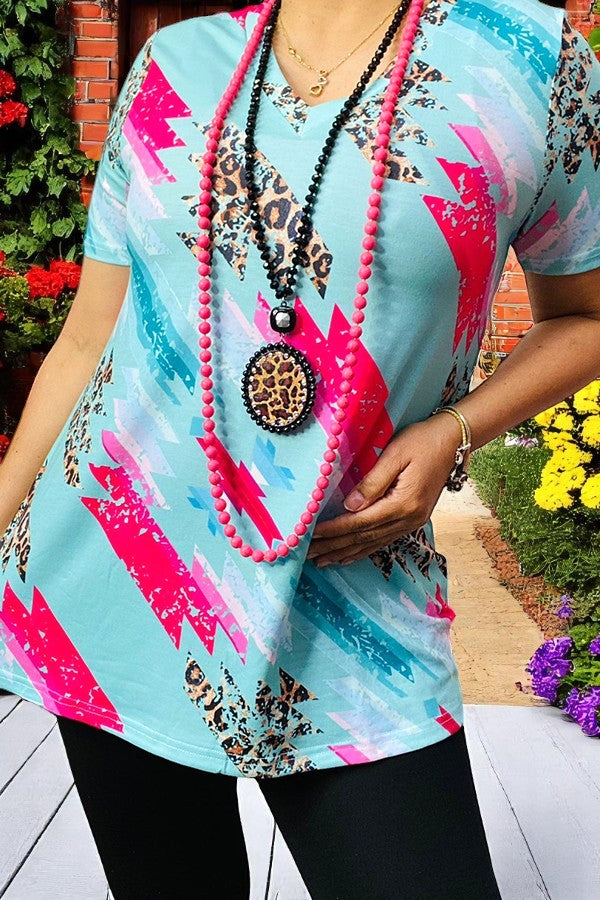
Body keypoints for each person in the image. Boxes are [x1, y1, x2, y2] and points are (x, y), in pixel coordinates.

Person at [1, 0, 599, 896]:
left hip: (358, 608)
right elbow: (88, 340)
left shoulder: (530, 61)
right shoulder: (172, 63)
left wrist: (456, 430)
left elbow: (586, 316)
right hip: (117, 589)